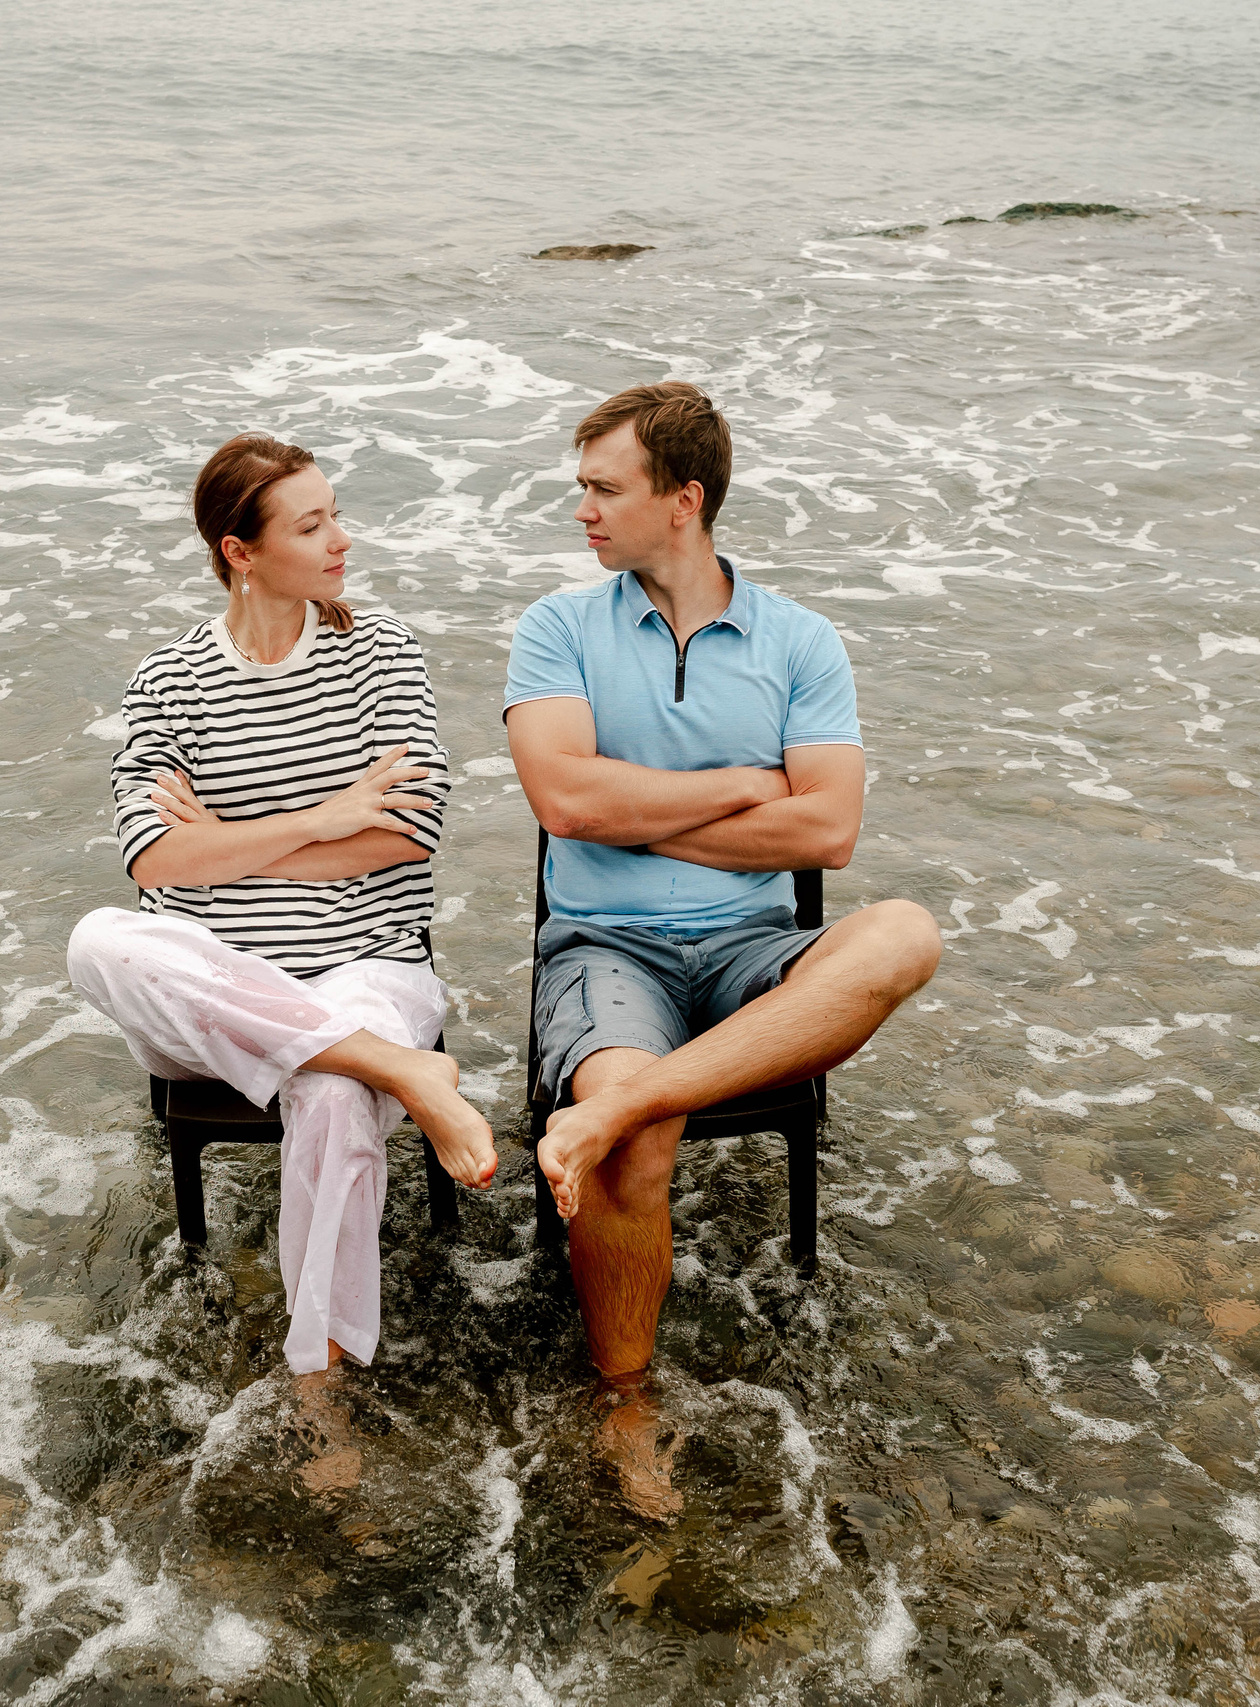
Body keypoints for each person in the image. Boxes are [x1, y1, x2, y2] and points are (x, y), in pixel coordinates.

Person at [503, 382, 943, 1511]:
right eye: (582, 488)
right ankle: (626, 1405)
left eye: (605, 489)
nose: (583, 510)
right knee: (641, 1146)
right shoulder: (557, 627)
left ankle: (609, 1106)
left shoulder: (799, 639)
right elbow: (564, 800)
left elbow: (828, 829)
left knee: (903, 934)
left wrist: (640, 807)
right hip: (607, 947)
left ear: (682, 501)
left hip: (755, 945)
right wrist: (737, 798)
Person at [69, 435, 499, 1426]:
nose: (342, 540)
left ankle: (319, 1386)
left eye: (335, 515)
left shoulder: (378, 653)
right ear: (241, 551)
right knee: (98, 936)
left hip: (365, 964)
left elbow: (406, 835)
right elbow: (148, 862)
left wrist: (224, 840)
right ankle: (409, 1073)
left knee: (331, 1088)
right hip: (215, 978)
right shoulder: (169, 681)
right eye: (312, 526)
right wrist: (321, 817)